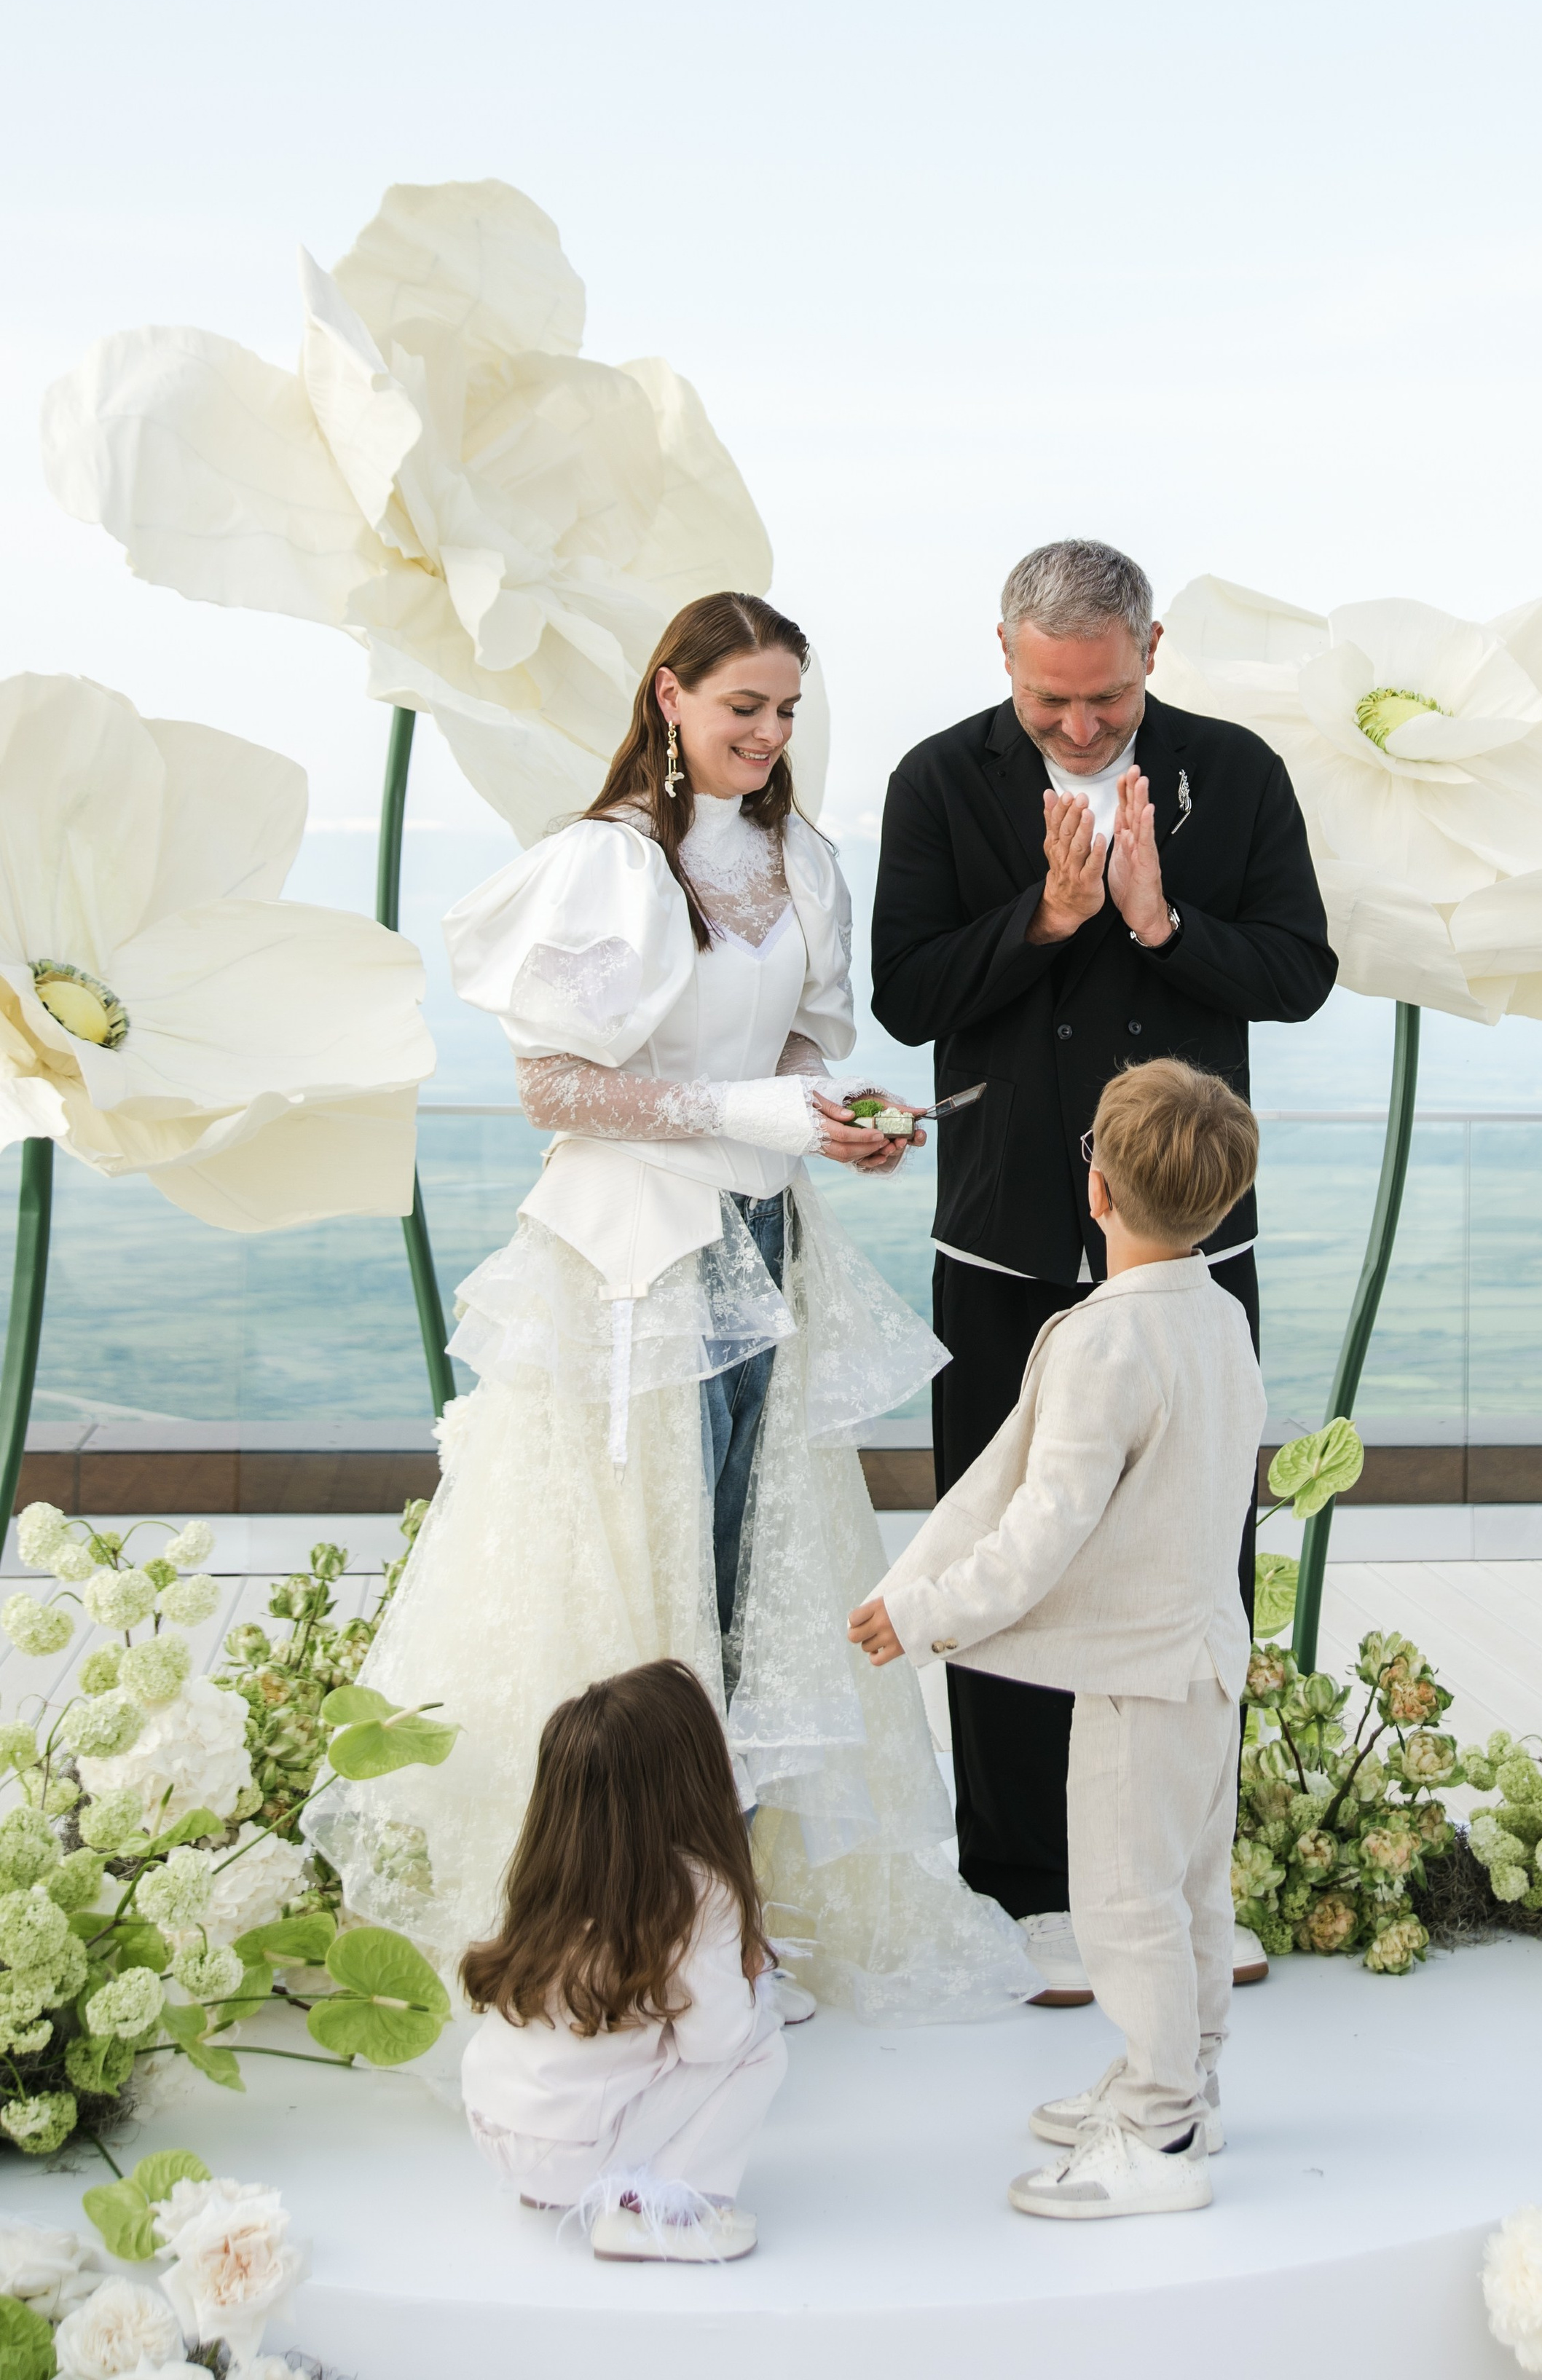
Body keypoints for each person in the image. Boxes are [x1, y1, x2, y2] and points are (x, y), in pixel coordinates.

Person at [306, 592, 1036, 2025]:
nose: (765, 734)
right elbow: (553, 1088)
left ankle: (734, 1923)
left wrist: (843, 1124)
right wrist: (739, 1105)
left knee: (752, 1599)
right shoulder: (604, 864)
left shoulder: (797, 860)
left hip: (764, 1242)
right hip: (630, 1264)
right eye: (741, 705)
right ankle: (627, 1925)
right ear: (669, 697)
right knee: (642, 1590)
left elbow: (791, 1061)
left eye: (783, 710)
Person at [869, 540, 1335, 1998]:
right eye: (1048, 702)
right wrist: (1047, 920)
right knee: (1003, 1537)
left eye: (1106, 699)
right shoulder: (938, 781)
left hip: (1191, 1246)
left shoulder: (1235, 774)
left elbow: (1297, 972)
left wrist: (1156, 924)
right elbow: (904, 993)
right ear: (1004, 658)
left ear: (1150, 649)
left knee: (1197, 1553)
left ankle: (1189, 1870)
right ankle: (1020, 1887)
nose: (1077, 727)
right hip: (1003, 1232)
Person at [849, 1060, 1264, 2221]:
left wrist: (926, 1612)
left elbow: (1040, 1531)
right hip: (1206, 1658)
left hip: (1136, 1673)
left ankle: (1157, 2127)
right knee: (1191, 1885)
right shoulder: (1221, 1319)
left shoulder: (1100, 1345)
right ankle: (1185, 2080)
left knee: (1126, 1903)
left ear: (1095, 1187)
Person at [460, 1663, 787, 2263]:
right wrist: (749, 1977)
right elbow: (718, 2041)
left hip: (491, 2122)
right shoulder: (698, 1888)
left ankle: (553, 2191)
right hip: (570, 2150)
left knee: (625, 2041)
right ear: (692, 1775)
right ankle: (659, 2211)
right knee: (761, 2037)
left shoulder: (553, 1868)